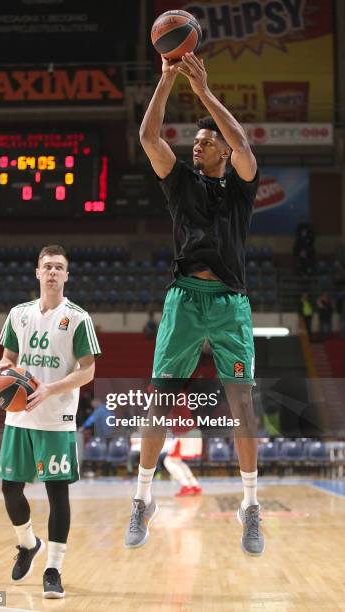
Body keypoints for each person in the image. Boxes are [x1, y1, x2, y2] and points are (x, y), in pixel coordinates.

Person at [125, 52, 264, 556]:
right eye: (197, 142)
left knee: (242, 403)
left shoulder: (242, 185)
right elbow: (148, 138)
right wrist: (165, 80)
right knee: (159, 399)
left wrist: (204, 91)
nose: (198, 147)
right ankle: (142, 500)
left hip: (229, 301)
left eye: (206, 143)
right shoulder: (180, 181)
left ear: (221, 151)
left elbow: (244, 144)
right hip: (185, 298)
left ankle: (250, 507)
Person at [0, 245, 101, 599]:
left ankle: (53, 569)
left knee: (58, 495)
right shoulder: (18, 314)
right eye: (47, 266)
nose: (52, 272)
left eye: (59, 267)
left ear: (67, 276)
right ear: (37, 273)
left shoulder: (77, 318)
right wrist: (1, 368)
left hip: (56, 418)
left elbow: (88, 370)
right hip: (19, 416)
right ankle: (27, 543)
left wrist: (52, 388)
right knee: (10, 488)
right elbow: (9, 357)